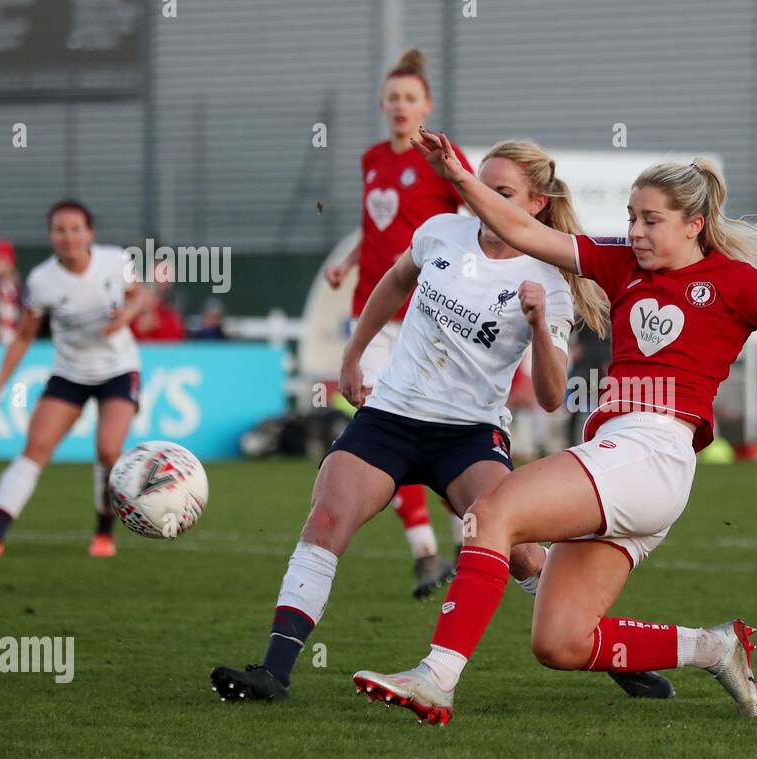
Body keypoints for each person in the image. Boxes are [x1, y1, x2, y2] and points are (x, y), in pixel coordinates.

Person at [348, 128, 757, 726]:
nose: (635, 231)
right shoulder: (619, 262)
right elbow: (524, 231)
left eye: (651, 220)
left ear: (694, 224)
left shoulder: (736, 282)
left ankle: (436, 678)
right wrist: (458, 178)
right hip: (621, 460)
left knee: (491, 511)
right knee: (559, 641)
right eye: (632, 217)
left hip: (654, 453)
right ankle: (714, 647)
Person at [211, 141, 674, 703]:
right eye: (480, 187)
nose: (483, 201)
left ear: (534, 205)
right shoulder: (441, 232)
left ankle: (611, 655)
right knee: (326, 520)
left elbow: (552, 398)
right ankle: (273, 672)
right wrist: (354, 355)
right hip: (390, 418)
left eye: (502, 193)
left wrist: (535, 324)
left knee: (520, 550)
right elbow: (394, 282)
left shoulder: (548, 280)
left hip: (470, 434)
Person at [322, 48, 467, 600]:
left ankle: (462, 540)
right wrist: (349, 261)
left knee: (444, 427)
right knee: (379, 415)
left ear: (426, 105)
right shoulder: (372, 160)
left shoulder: (442, 159)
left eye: (411, 98)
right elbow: (375, 225)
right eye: (393, 98)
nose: (401, 106)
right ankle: (425, 551)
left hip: (431, 318)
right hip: (376, 313)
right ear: (382, 105)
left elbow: (479, 211)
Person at [0, 200, 150, 558]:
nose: (67, 236)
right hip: (70, 373)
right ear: (50, 235)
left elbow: (139, 295)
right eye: (59, 229)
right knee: (34, 449)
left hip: (118, 369)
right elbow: (23, 337)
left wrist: (126, 314)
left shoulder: (115, 261)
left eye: (74, 228)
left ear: (89, 233)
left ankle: (103, 535)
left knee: (108, 450)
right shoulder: (42, 281)